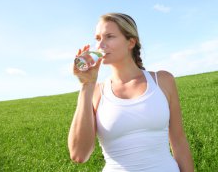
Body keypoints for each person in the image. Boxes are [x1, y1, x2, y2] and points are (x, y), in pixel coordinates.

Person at [68, 12, 194, 172]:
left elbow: (179, 141)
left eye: (109, 36)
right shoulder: (97, 92)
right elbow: (79, 155)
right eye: (98, 38)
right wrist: (87, 85)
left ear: (131, 42)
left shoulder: (163, 81)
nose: (100, 45)